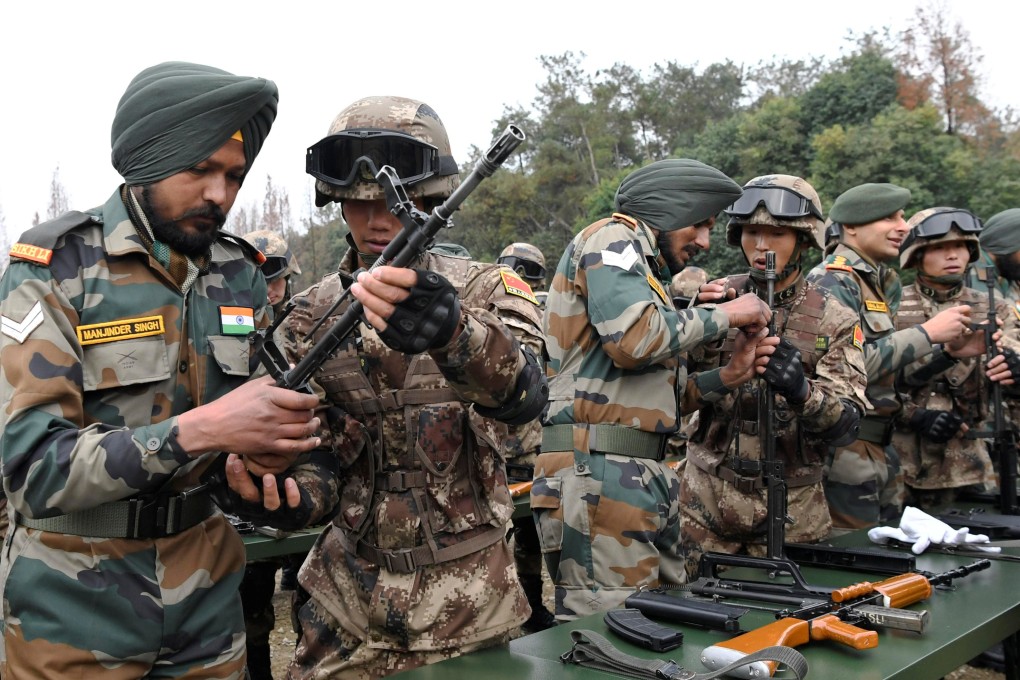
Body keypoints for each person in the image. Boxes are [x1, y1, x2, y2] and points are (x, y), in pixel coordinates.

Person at [0, 61, 322, 678]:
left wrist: (271, 458)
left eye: (232, 174)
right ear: (146, 159)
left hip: (206, 594)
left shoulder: (238, 273)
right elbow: (31, 469)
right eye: (198, 169)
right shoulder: (56, 268)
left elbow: (257, 423)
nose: (220, 195)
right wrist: (203, 429)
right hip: (72, 605)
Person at [225, 95, 548, 678]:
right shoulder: (307, 317)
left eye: (391, 203)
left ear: (429, 197)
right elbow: (314, 461)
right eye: (356, 202)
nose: (377, 221)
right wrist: (278, 490)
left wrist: (456, 334)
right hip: (345, 609)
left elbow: (525, 407)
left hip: (470, 606)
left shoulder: (485, 292)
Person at [533, 158, 774, 620]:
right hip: (597, 475)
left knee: (659, 626)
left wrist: (727, 377)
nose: (704, 242)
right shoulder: (612, 238)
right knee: (607, 637)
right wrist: (729, 314)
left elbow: (645, 397)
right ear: (667, 209)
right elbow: (633, 339)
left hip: (633, 473)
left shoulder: (646, 272)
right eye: (699, 224)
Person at [679, 174, 868, 576]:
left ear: (803, 239)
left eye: (777, 233)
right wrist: (700, 333)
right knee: (696, 617)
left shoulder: (834, 318)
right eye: (752, 232)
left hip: (792, 510)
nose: (762, 245)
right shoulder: (716, 301)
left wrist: (803, 392)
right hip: (705, 501)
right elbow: (670, 394)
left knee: (790, 626)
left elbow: (847, 426)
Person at [806, 183, 984, 532]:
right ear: (851, 226)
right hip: (845, 450)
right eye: (889, 217)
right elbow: (842, 370)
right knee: (854, 566)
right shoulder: (833, 281)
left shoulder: (875, 281)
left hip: (877, 447)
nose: (903, 226)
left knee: (887, 567)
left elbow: (884, 377)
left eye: (902, 216)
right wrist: (927, 334)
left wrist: (946, 355)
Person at [892, 208, 1020, 510]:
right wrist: (913, 415)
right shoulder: (893, 306)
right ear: (916, 255)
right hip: (903, 460)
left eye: (960, 247)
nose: (952, 255)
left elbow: (1011, 362)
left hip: (973, 461)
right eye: (939, 248)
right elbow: (871, 379)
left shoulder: (993, 307)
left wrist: (1015, 367)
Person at [239, 229, 306, 679]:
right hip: (249, 470)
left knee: (310, 588)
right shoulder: (231, 322)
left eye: (277, 278)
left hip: (303, 474)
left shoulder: (308, 318)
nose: (271, 287)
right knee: (251, 596)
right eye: (262, 277)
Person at [495, 240, 556, 632]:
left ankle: (531, 606)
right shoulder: (484, 308)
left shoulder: (545, 313)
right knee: (499, 538)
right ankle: (509, 612)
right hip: (503, 450)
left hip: (526, 450)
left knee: (531, 536)